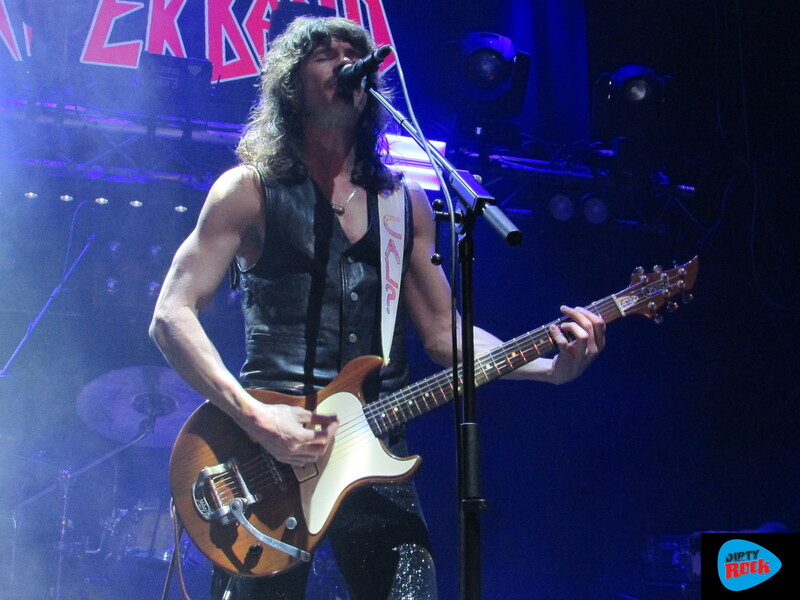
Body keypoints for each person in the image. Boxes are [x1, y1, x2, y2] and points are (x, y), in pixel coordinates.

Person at [149, 15, 605, 600]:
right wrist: (256, 418)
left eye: (354, 53)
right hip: (265, 452)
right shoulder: (248, 190)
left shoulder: (403, 203)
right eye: (325, 54)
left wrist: (550, 368)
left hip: (375, 447)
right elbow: (171, 315)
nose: (346, 63)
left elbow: (443, 333)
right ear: (291, 84)